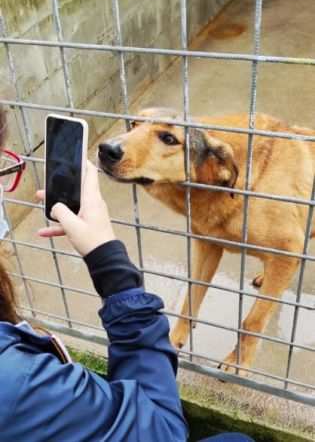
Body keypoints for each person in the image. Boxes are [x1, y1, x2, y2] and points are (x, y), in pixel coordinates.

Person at [0, 107, 254, 441]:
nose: (117, 144)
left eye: (165, 137)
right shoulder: (20, 382)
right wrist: (111, 263)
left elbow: (286, 255)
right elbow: (162, 431)